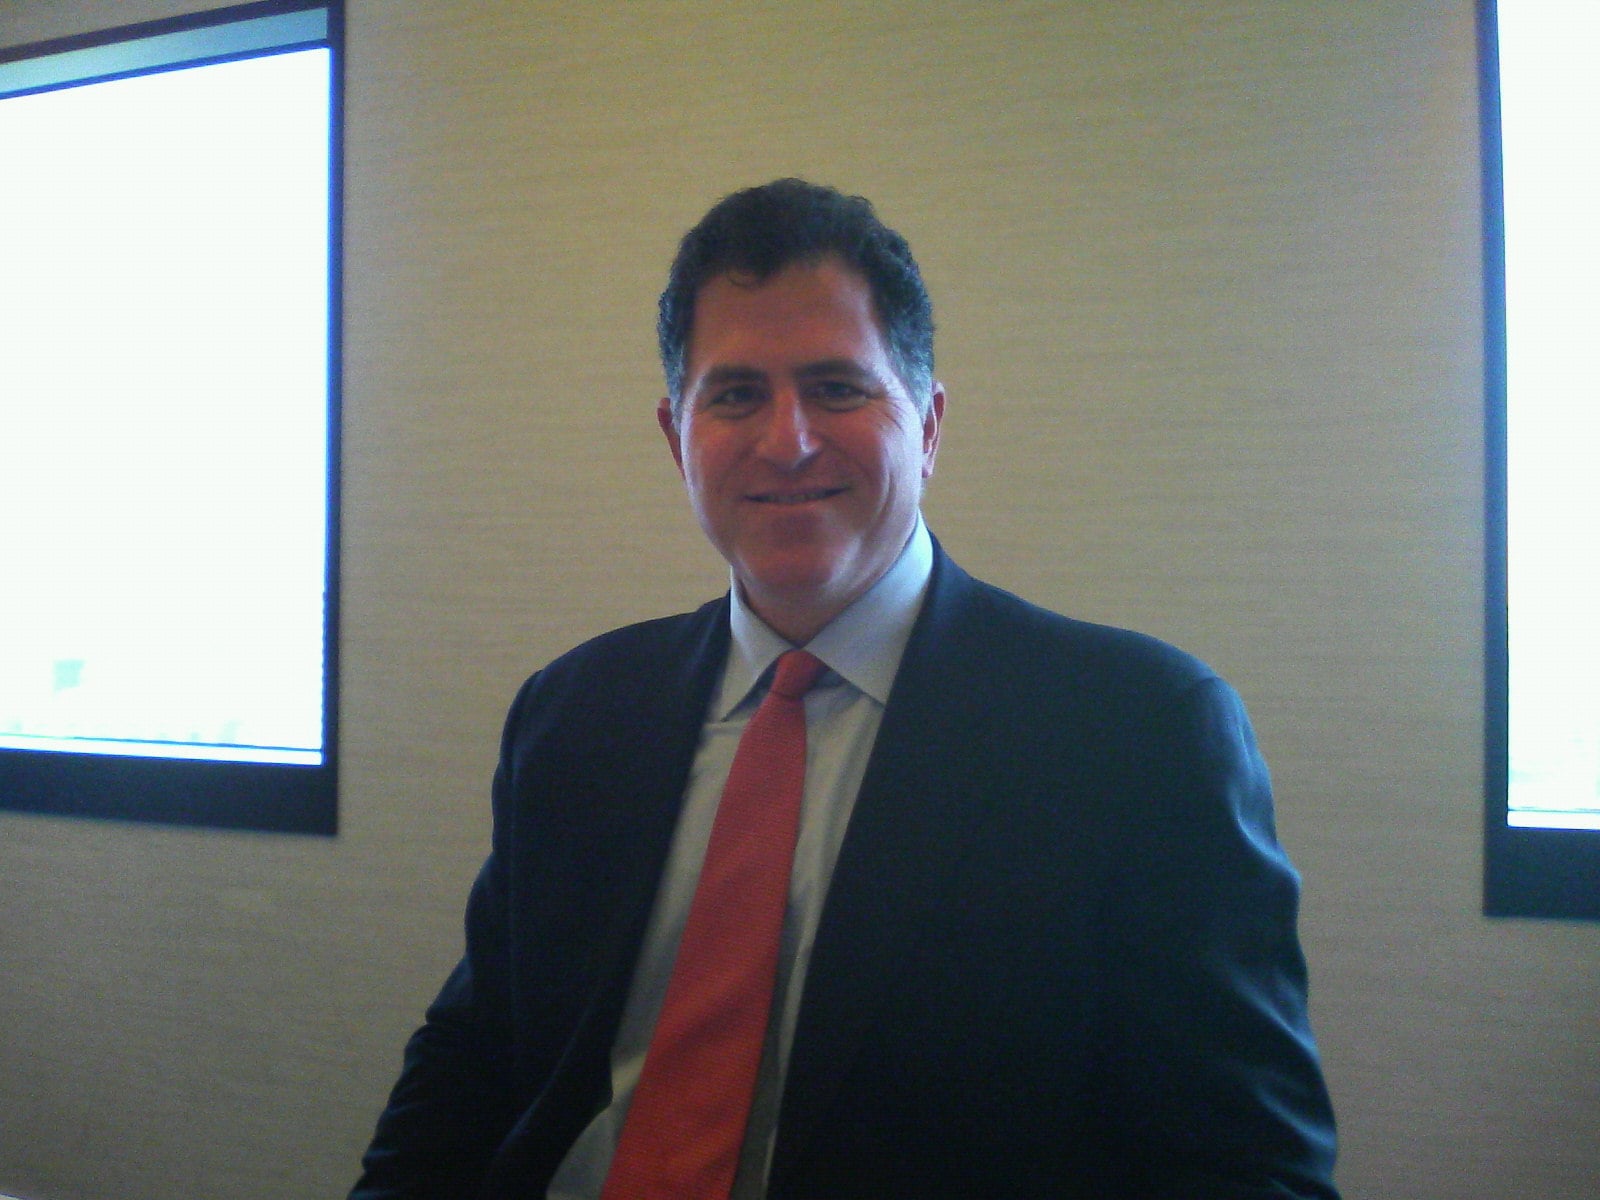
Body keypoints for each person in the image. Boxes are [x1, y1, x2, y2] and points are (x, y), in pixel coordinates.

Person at [351, 178, 1340, 1199]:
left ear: (928, 425)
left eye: (836, 387)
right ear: (674, 436)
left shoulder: (1135, 736)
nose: (788, 441)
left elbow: (1245, 1170)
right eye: (734, 395)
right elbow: (469, 1064)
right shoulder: (573, 714)